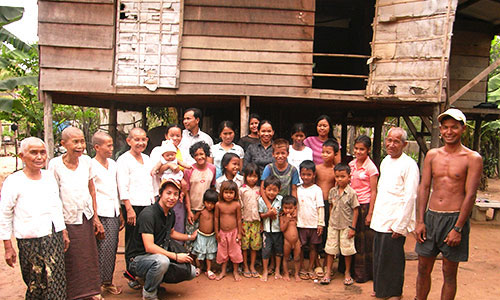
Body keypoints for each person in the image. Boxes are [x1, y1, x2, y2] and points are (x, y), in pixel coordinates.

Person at [415, 109, 482, 300]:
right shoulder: (432, 155)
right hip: (431, 217)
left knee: (449, 272)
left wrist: (458, 228)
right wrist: (420, 220)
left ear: (463, 129)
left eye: (454, 127)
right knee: (422, 268)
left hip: (454, 218)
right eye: (445, 127)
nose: (449, 132)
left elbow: (470, 195)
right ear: (440, 130)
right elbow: (424, 187)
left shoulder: (472, 158)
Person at [0, 137, 69, 299]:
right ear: (22, 156)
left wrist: (63, 231)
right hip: (29, 240)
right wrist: (7, 246)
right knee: (35, 284)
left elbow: (55, 206)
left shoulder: (49, 177)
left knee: (57, 281)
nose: (39, 157)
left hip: (53, 237)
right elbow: (5, 213)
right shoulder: (14, 181)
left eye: (42, 152)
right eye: (33, 153)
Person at [48, 126, 104, 300]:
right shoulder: (55, 165)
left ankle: (91, 292)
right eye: (75, 142)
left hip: (85, 216)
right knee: (70, 257)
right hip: (66, 218)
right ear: (64, 144)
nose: (80, 146)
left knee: (88, 256)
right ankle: (71, 294)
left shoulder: (87, 161)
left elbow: (92, 190)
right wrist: (61, 227)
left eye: (82, 141)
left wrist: (95, 217)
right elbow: (53, 195)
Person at [126, 179, 197, 300]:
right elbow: (149, 246)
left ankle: (151, 280)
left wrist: (190, 237)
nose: (172, 197)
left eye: (175, 194)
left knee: (191, 272)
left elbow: (171, 233)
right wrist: (175, 256)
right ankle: (149, 294)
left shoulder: (170, 213)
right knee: (162, 262)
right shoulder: (148, 214)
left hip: (155, 256)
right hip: (137, 260)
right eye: (168, 193)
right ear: (160, 194)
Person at [370, 127, 419, 300]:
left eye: (396, 141)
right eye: (389, 140)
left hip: (395, 220)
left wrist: (401, 224)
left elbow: (411, 196)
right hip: (381, 217)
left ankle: (393, 293)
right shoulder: (385, 161)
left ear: (404, 144)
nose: (391, 144)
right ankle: (381, 289)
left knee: (393, 259)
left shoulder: (409, 165)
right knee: (380, 256)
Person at [117, 127, 156, 288]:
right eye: (136, 140)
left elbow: (152, 183)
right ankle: (131, 274)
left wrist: (154, 202)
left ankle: (145, 272)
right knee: (132, 240)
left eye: (143, 139)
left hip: (148, 204)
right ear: (129, 141)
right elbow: (122, 185)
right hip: (132, 206)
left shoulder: (147, 159)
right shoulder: (124, 160)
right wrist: (128, 208)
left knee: (146, 239)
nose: (140, 143)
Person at [92, 131, 124, 295]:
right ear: (97, 147)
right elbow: (91, 192)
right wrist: (95, 217)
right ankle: (94, 287)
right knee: (97, 250)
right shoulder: (90, 166)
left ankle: (107, 282)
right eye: (108, 145)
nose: (112, 148)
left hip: (113, 212)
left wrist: (119, 211)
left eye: (112, 145)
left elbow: (115, 189)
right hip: (99, 213)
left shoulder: (113, 164)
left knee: (111, 249)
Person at [323, 164, 360, 286]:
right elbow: (331, 207)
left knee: (347, 251)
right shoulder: (332, 192)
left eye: (343, 176)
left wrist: (353, 228)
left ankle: (347, 272)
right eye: (337, 176)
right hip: (333, 225)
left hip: (346, 226)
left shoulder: (351, 193)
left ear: (349, 177)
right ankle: (328, 272)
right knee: (330, 249)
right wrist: (329, 222)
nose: (339, 179)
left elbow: (355, 210)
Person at [348, 135, 379, 283]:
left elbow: (374, 191)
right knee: (351, 239)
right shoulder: (351, 164)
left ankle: (364, 274)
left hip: (364, 206)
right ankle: (349, 270)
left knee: (364, 242)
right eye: (356, 148)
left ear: (368, 150)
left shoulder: (371, 167)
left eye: (362, 149)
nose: (358, 151)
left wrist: (370, 214)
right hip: (351, 205)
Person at [150, 124, 188, 235]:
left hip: (178, 192)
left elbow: (186, 168)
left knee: (178, 220)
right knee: (161, 220)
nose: (175, 138)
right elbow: (156, 171)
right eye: (172, 135)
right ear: (166, 136)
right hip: (163, 191)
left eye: (178, 135)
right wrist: (169, 166)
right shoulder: (158, 151)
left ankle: (177, 247)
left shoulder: (183, 151)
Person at [183, 141, 216, 252]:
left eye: (202, 154)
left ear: (206, 154)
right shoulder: (189, 170)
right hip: (192, 209)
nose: (199, 157)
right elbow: (186, 192)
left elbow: (212, 188)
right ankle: (191, 265)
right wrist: (188, 211)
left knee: (205, 238)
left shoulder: (212, 169)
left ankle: (203, 266)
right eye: (196, 155)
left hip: (207, 210)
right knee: (190, 238)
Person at [296, 160, 325, 280]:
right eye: (303, 174)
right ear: (300, 174)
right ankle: (302, 267)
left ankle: (311, 268)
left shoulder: (317, 190)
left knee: (314, 247)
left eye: (309, 174)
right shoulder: (297, 189)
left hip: (313, 224)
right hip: (301, 223)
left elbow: (320, 207)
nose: (306, 177)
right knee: (301, 247)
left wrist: (320, 224)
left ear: (314, 175)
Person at [315, 138, 340, 271]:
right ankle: (317, 263)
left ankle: (326, 264)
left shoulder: (336, 170)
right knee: (317, 233)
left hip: (330, 204)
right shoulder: (317, 168)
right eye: (323, 152)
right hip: (318, 204)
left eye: (328, 152)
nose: (325, 155)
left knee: (328, 233)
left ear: (335, 154)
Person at [214, 181, 243, 281]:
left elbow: (239, 219)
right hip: (222, 233)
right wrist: (216, 232)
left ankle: (235, 271)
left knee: (235, 252)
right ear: (221, 192)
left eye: (231, 193)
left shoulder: (236, 205)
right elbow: (216, 218)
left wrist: (239, 233)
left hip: (234, 233)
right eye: (226, 192)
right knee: (223, 252)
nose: (228, 195)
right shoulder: (218, 205)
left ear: (235, 194)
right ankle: (223, 271)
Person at [260, 138, 300, 206]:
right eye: (277, 153)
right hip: (271, 203)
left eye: (283, 153)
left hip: (286, 205)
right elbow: (262, 188)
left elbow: (294, 190)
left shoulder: (293, 170)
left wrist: (294, 207)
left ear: (288, 154)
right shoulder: (269, 168)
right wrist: (269, 206)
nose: (280, 156)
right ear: (273, 154)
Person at [239, 163, 262, 278]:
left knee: (254, 246)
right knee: (244, 246)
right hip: (245, 221)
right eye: (249, 176)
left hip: (256, 222)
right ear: (245, 176)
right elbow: (239, 208)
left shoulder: (260, 190)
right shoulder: (242, 190)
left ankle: (252, 266)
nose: (252, 179)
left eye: (255, 176)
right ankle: (245, 266)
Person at [258, 175, 283, 282]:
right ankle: (265, 271)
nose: (271, 193)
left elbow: (283, 213)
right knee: (266, 251)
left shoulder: (281, 200)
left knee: (278, 251)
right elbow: (260, 215)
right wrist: (268, 214)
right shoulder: (261, 200)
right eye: (269, 190)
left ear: (279, 190)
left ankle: (277, 270)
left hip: (278, 230)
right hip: (267, 231)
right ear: (264, 190)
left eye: (274, 190)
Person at [191, 189, 218, 280]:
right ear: (204, 202)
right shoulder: (201, 211)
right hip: (201, 235)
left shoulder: (215, 213)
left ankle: (208, 269)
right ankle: (199, 267)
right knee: (200, 253)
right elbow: (194, 219)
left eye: (212, 203)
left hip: (211, 236)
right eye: (207, 203)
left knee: (209, 254)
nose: (210, 206)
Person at [280, 195, 302, 282]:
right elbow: (282, 229)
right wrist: (287, 220)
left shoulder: (296, 216)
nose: (288, 210)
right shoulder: (282, 217)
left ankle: (296, 273)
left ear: (295, 208)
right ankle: (286, 273)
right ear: (282, 207)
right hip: (287, 242)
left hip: (296, 241)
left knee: (297, 258)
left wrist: (294, 216)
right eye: (285, 208)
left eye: (290, 208)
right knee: (286, 258)